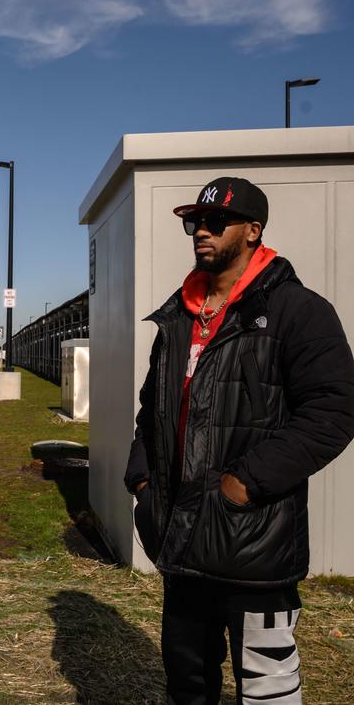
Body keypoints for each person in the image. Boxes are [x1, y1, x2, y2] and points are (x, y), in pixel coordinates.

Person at [125, 176, 354, 705]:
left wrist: (242, 485)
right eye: (193, 222)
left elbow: (332, 414)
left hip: (253, 544)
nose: (200, 231)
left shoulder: (299, 311)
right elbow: (152, 409)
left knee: (267, 688)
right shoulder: (179, 315)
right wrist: (141, 480)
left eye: (214, 222)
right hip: (180, 540)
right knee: (188, 683)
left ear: (253, 230)